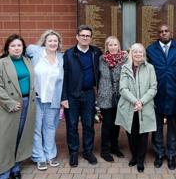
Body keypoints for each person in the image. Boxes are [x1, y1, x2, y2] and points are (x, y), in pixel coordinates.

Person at [0, 34, 36, 179]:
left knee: (19, 136)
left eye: (19, 45)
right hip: (6, 106)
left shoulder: (28, 60)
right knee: (3, 140)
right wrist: (9, 103)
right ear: (7, 48)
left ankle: (15, 167)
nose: (16, 48)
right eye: (13, 45)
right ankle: (1, 175)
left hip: (26, 104)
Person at [61, 25, 102, 167]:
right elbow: (64, 76)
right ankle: (73, 153)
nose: (85, 38)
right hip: (72, 95)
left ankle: (88, 151)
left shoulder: (96, 52)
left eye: (88, 36)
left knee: (88, 124)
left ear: (91, 38)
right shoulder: (69, 54)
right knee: (72, 125)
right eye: (83, 35)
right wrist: (64, 97)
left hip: (89, 93)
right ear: (77, 36)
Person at [146, 24, 176, 170]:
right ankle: (159, 154)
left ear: (171, 32)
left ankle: (171, 155)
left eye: (166, 31)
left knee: (173, 128)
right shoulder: (151, 49)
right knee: (157, 128)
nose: (163, 33)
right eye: (161, 32)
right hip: (157, 94)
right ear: (158, 34)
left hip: (174, 93)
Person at [115, 43, 157, 173]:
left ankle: (140, 160)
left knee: (143, 134)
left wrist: (141, 102)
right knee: (131, 133)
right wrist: (135, 101)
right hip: (129, 106)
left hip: (145, 106)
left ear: (143, 54)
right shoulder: (125, 68)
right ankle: (134, 155)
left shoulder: (150, 68)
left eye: (140, 52)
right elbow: (123, 88)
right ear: (131, 54)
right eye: (135, 52)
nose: (138, 54)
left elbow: (153, 87)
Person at [27, 30, 64, 170]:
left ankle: (50, 155)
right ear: (44, 42)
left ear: (59, 43)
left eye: (55, 41)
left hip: (53, 99)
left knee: (50, 128)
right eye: (50, 41)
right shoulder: (35, 51)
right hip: (36, 98)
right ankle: (39, 157)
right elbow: (13, 50)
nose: (53, 43)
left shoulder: (61, 57)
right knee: (36, 128)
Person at [97, 36, 128, 162]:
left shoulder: (125, 59)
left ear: (119, 46)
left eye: (115, 45)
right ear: (107, 47)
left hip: (120, 96)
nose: (113, 47)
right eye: (110, 45)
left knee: (117, 124)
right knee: (107, 124)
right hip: (105, 96)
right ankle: (105, 150)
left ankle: (114, 147)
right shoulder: (101, 59)